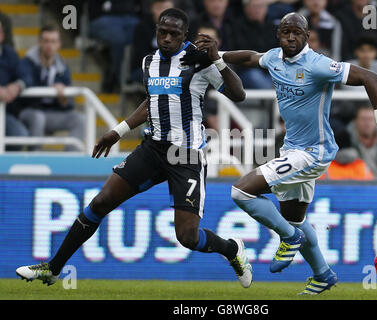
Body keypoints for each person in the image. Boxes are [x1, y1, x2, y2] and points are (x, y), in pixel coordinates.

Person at [16, 8, 252, 288]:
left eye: (173, 34)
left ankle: (232, 250)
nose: (166, 38)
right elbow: (153, 102)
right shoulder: (149, 62)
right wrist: (117, 132)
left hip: (185, 154)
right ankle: (53, 269)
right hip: (152, 149)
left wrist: (218, 60)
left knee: (187, 237)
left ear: (184, 36)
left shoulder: (198, 62)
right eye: (162, 32)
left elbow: (239, 95)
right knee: (101, 202)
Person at [217, 12, 377, 295]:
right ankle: (322, 274)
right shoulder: (274, 58)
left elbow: (371, 77)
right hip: (293, 149)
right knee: (296, 219)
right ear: (278, 35)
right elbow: (249, 57)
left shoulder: (318, 64)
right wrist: (216, 55)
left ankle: (288, 237)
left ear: (307, 36)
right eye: (285, 32)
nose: (291, 37)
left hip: (312, 152)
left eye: (297, 33)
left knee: (241, 192)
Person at [18, 25, 85, 152]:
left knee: (80, 119)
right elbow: (26, 87)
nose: (49, 45)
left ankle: (69, 162)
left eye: (53, 41)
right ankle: (35, 159)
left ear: (59, 44)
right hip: (28, 112)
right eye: (46, 41)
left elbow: (69, 104)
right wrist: (51, 89)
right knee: (38, 118)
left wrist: (63, 99)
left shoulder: (63, 66)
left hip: (51, 114)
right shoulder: (26, 62)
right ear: (39, 42)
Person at [88, 0, 142, 92]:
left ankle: (117, 72)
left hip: (132, 19)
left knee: (141, 35)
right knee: (119, 39)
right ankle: (118, 75)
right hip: (105, 18)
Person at [229, 0, 279, 89]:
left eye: (261, 6)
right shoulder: (237, 27)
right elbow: (242, 56)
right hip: (247, 71)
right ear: (246, 9)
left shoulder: (273, 28)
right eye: (254, 7)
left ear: (266, 8)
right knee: (255, 77)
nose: (258, 10)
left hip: (270, 71)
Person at [129, 0, 174, 84]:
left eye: (168, 9)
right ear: (152, 9)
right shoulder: (142, 27)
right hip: (144, 69)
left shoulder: (178, 29)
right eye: (160, 8)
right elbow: (141, 56)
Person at [0, 20, 28, 150]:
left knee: (20, 135)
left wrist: (17, 85)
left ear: (2, 35)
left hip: (5, 113)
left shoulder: (10, 54)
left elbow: (26, 75)